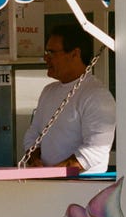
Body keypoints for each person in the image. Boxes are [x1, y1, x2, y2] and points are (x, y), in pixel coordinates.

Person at [22, 24, 116, 172]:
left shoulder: (97, 96)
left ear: (75, 54)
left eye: (51, 52)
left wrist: (52, 174)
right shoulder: (48, 91)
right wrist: (35, 160)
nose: (46, 58)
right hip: (47, 185)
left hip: (83, 188)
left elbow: (95, 151)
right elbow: (32, 135)